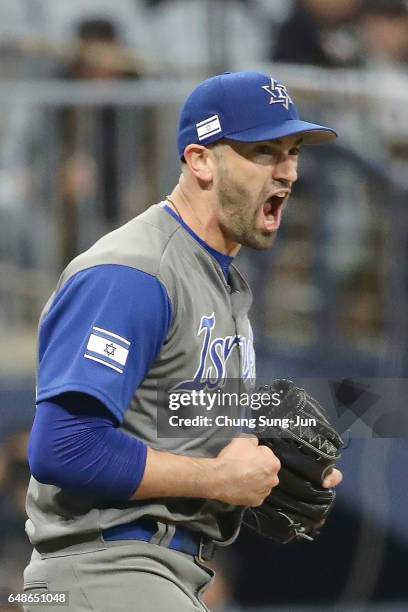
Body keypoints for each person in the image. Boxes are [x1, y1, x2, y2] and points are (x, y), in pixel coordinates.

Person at [23, 71, 343, 612]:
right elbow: (62, 446)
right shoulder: (135, 272)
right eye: (264, 151)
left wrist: (257, 455)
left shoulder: (216, 277)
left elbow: (160, 413)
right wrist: (218, 478)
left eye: (292, 151)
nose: (287, 171)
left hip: (157, 572)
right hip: (106, 568)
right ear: (200, 161)